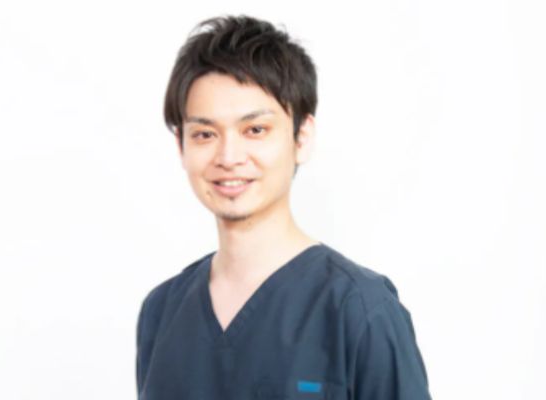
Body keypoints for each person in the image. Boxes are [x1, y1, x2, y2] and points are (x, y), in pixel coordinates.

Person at [136, 14, 432, 400]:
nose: (229, 156)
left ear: (301, 137)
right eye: (205, 134)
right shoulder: (162, 312)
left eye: (255, 130)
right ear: (181, 146)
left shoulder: (359, 309)